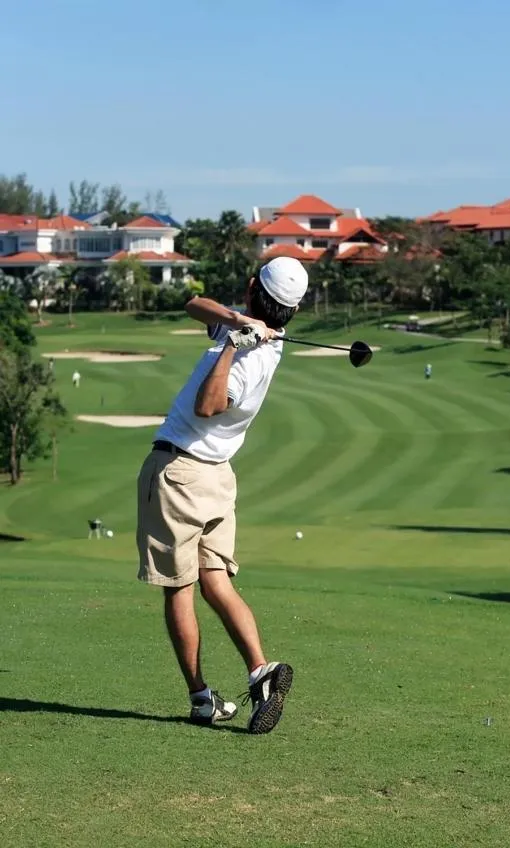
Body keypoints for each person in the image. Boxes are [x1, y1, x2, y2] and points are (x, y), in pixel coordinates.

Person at [136, 256, 308, 734]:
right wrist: (235, 321)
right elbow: (194, 305)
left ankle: (200, 699)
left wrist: (233, 344)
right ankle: (261, 673)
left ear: (253, 287)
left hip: (180, 471)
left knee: (178, 587)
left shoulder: (250, 356)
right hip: (217, 479)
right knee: (216, 582)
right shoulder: (256, 334)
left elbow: (208, 405)